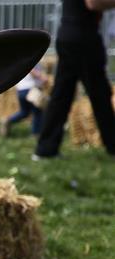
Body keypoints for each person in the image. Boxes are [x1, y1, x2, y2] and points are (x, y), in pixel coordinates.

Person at [34, 0, 115, 159]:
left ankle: (46, 149)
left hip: (69, 34)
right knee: (100, 95)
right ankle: (113, 145)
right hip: (83, 37)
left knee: (61, 95)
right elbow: (93, 4)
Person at [0, 63, 49, 137]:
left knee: (24, 112)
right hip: (32, 89)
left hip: (21, 90)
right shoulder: (33, 59)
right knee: (37, 111)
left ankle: (8, 120)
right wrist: (42, 78)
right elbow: (31, 70)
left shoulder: (22, 60)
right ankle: (36, 134)